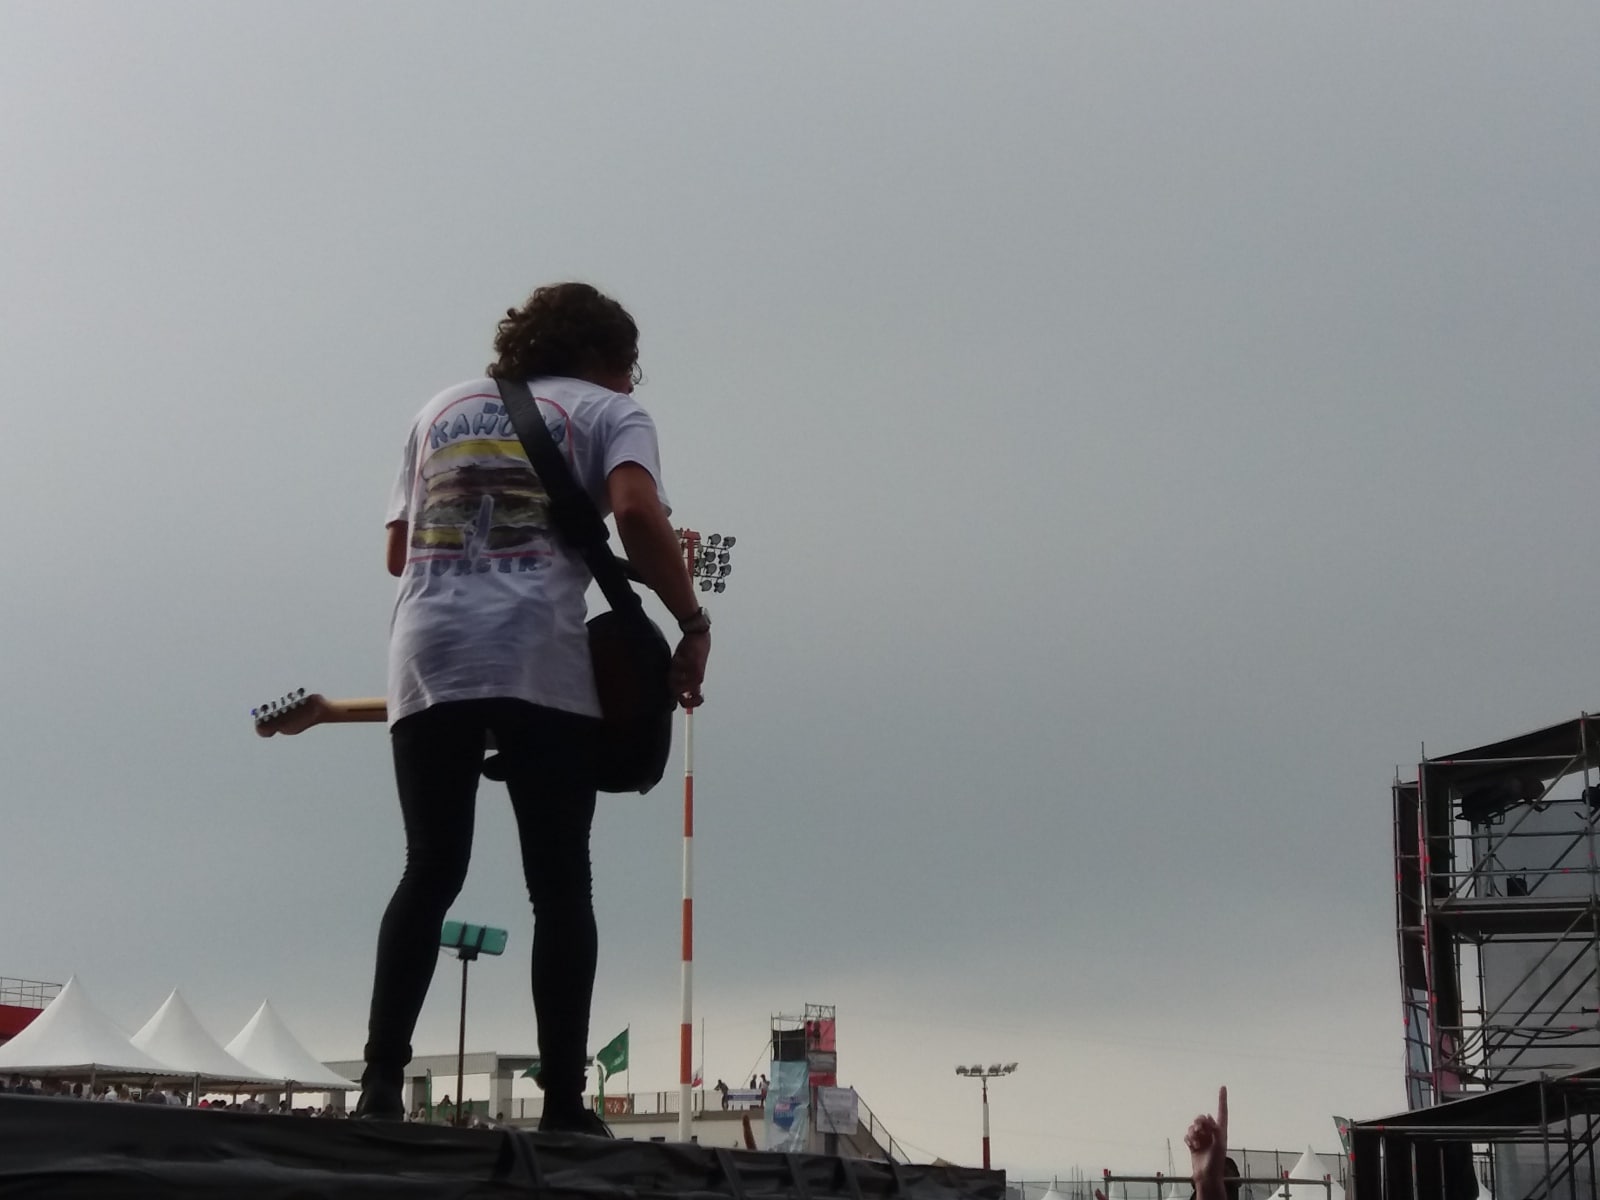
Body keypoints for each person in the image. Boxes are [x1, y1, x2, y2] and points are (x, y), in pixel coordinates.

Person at [355, 283, 711, 1136]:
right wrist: (692, 621)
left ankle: (379, 1086)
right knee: (558, 884)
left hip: (427, 652)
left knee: (429, 867)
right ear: (604, 356)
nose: (630, 382)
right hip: (536, 655)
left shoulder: (438, 409)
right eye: (629, 365)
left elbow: (399, 550)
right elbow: (634, 511)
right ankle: (562, 1105)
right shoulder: (612, 414)